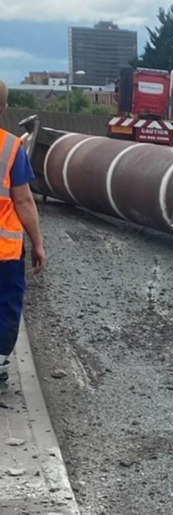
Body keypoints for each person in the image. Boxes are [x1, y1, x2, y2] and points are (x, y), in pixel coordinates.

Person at [0, 79, 46, 387]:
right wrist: (38, 243)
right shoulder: (9, 147)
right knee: (5, 303)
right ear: (3, 107)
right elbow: (23, 200)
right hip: (5, 251)